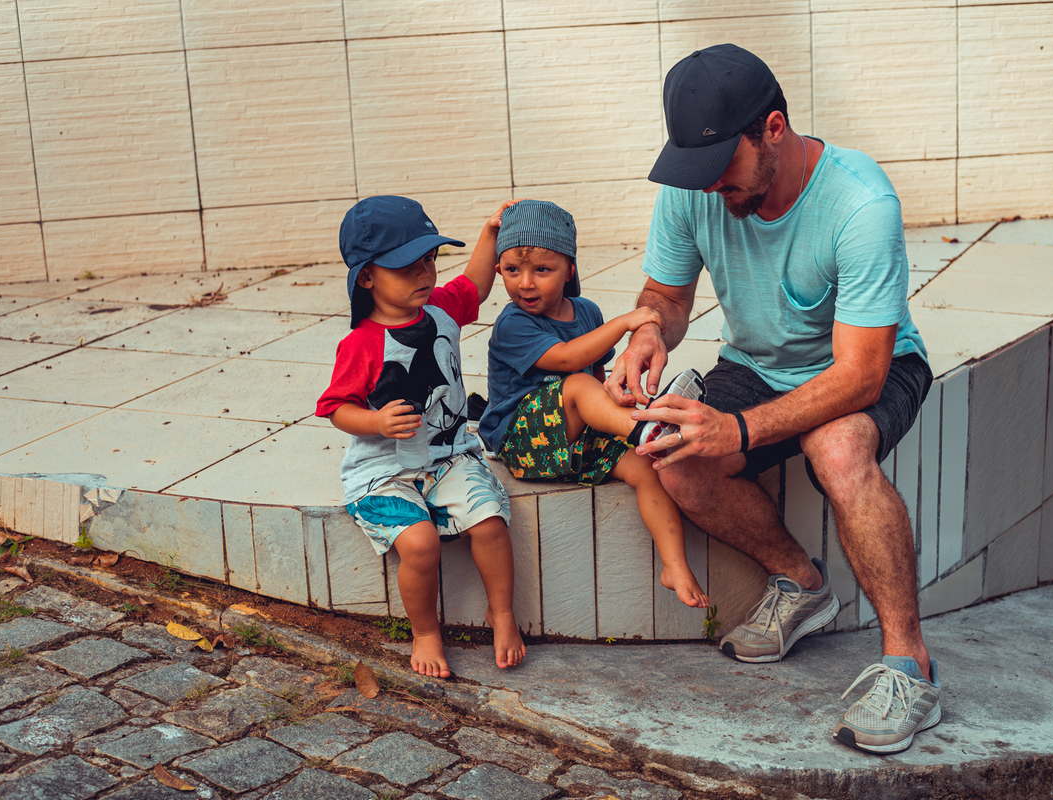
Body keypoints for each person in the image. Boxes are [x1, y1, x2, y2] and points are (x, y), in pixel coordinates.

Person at [605, 44, 938, 754]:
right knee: (672, 453)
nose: (709, 188)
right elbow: (666, 296)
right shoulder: (696, 186)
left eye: (723, 166)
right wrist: (648, 334)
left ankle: (910, 663)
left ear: (774, 130)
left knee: (838, 447)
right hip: (757, 363)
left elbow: (862, 377)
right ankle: (801, 584)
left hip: (869, 366)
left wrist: (740, 430)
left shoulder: (859, 201)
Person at [316, 195, 526, 680]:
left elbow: (474, 282)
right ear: (367, 276)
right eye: (408, 266)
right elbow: (335, 409)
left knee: (491, 522)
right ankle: (426, 631)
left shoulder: (442, 309)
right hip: (385, 469)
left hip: (448, 456)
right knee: (420, 543)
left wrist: (490, 233)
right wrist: (375, 422)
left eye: (430, 260)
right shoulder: (361, 343)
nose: (425, 274)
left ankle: (502, 612)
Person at [478, 199, 710, 609]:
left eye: (541, 270)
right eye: (513, 270)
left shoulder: (586, 312)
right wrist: (624, 322)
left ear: (570, 269)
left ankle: (675, 564)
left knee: (644, 465)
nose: (525, 284)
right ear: (499, 270)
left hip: (572, 439)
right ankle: (647, 424)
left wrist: (618, 397)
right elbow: (569, 361)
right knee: (578, 383)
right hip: (521, 443)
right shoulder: (514, 323)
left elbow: (598, 381)